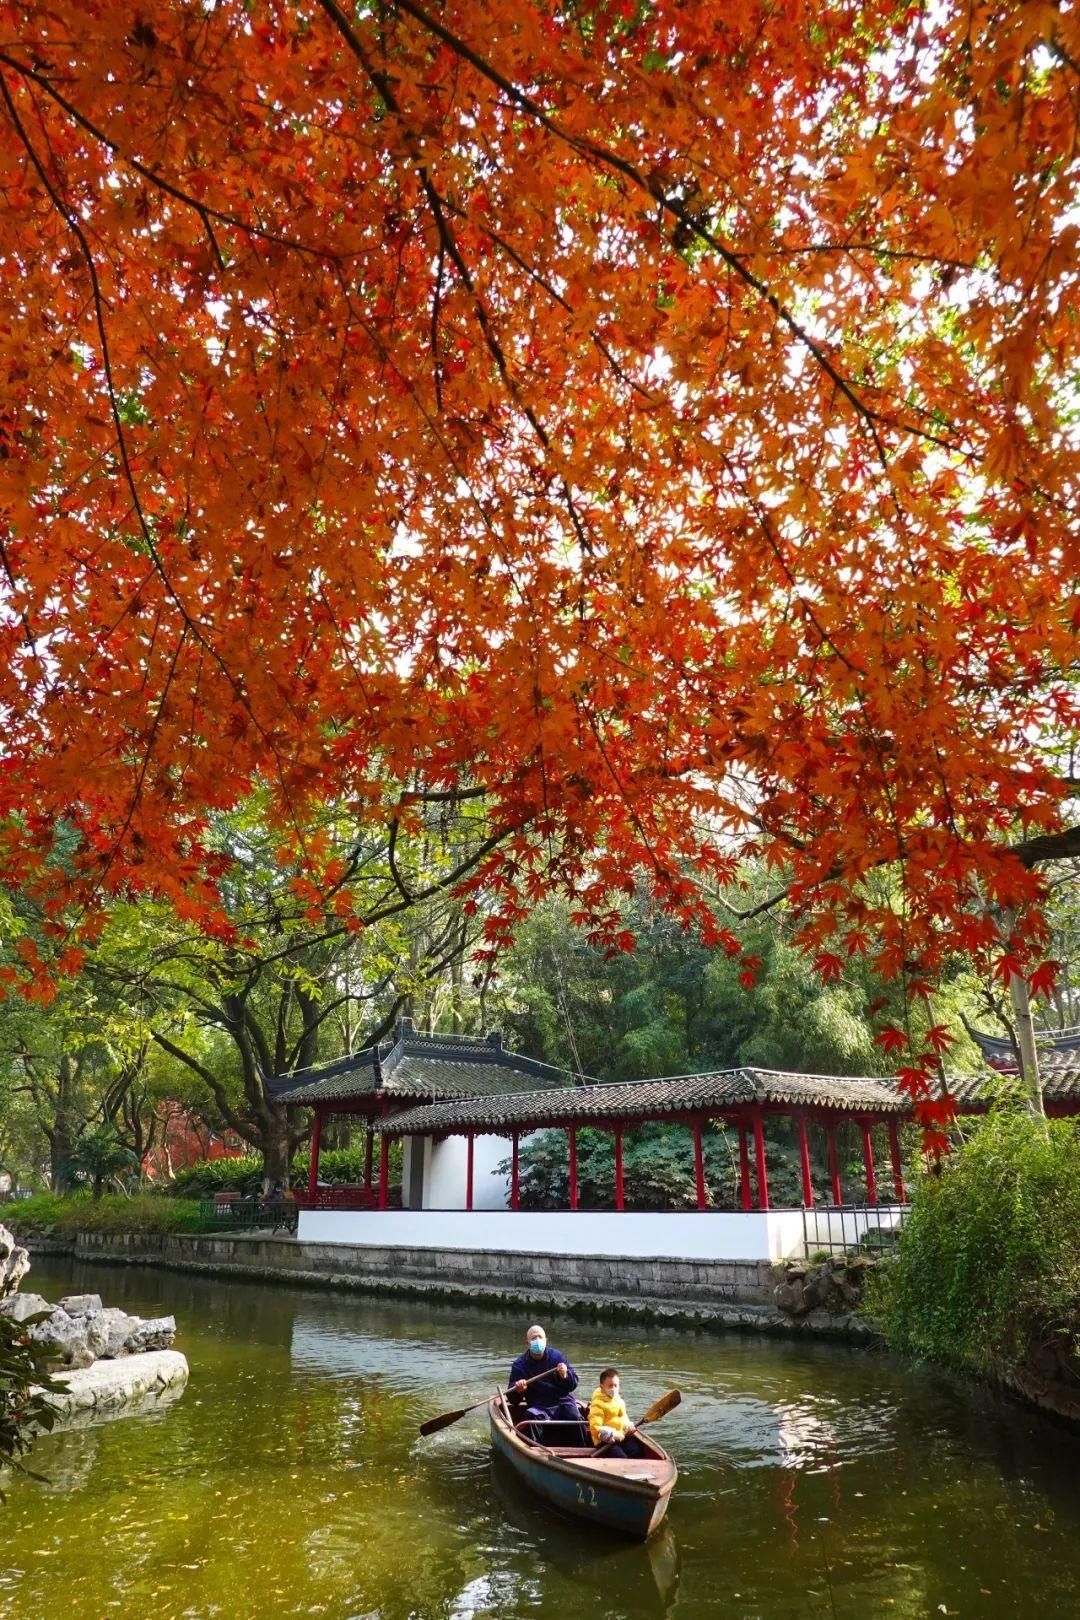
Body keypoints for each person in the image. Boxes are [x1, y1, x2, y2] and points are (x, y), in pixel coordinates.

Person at [507, 1324, 583, 1438]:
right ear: (527, 1343)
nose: (537, 1340)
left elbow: (573, 1384)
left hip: (562, 1402)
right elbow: (513, 1401)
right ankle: (535, 1452)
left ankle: (580, 1451)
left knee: (576, 1418)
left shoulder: (557, 1357)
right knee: (531, 1418)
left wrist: (565, 1375)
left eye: (540, 1337)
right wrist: (519, 1390)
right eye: (533, 1338)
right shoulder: (519, 1365)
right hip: (539, 1405)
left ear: (546, 1340)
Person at [587, 1367, 645, 1459]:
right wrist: (614, 1435)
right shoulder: (597, 1404)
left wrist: (628, 1426)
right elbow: (595, 1429)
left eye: (616, 1385)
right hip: (604, 1440)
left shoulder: (619, 1401)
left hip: (621, 1436)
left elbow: (624, 1418)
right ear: (602, 1387)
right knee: (620, 1457)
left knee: (637, 1451)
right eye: (610, 1386)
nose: (613, 1388)